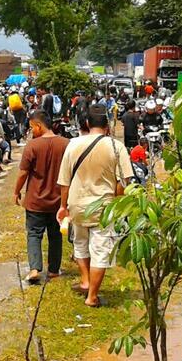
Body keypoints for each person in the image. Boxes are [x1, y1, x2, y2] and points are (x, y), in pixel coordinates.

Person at [56, 105, 133, 308]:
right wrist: (118, 203)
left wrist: (63, 206)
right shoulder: (116, 147)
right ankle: (92, 296)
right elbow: (125, 181)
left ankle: (85, 281)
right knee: (100, 249)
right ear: (107, 125)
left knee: (80, 242)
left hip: (77, 204)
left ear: (87, 123)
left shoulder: (72, 145)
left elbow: (64, 181)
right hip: (103, 207)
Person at [14, 111, 68, 284]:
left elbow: (23, 173)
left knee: (34, 235)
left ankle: (35, 268)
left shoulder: (32, 146)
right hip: (58, 200)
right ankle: (53, 270)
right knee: (55, 235)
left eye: (32, 128)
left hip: (35, 201)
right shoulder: (66, 144)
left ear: (38, 126)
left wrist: (16, 191)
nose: (31, 131)